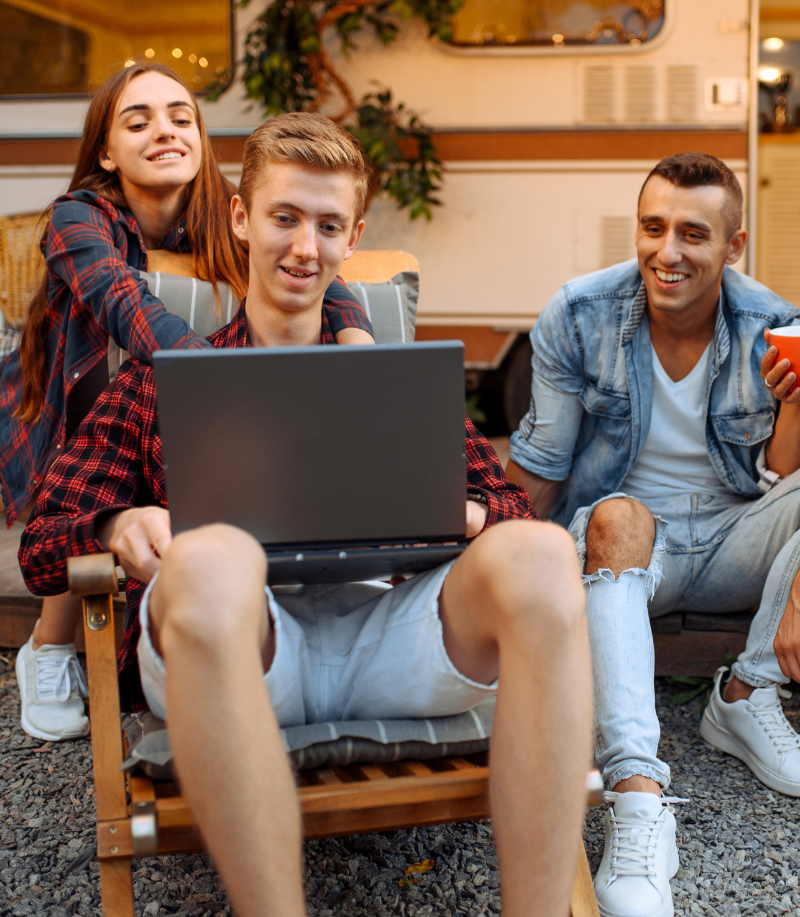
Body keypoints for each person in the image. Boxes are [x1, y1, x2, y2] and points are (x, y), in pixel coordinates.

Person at [20, 112, 593, 917]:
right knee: (212, 555)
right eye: (285, 217)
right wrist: (120, 526)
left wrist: (463, 514)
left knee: (540, 551)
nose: (304, 246)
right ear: (242, 218)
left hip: (391, 641)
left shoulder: (394, 387)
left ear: (351, 236)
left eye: (327, 226)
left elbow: (499, 501)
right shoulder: (162, 382)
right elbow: (44, 543)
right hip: (244, 649)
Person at [2, 63, 374, 743]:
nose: (164, 130)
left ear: (201, 137)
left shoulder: (224, 212)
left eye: (180, 116)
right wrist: (230, 387)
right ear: (107, 152)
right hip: (66, 390)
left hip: (170, 392)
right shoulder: (78, 216)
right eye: (137, 120)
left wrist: (354, 334)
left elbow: (306, 259)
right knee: (96, 444)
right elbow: (123, 305)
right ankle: (50, 644)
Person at [506, 151, 800, 917]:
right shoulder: (579, 314)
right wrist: (488, 572)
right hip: (628, 548)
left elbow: (776, 482)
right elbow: (539, 466)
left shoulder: (771, 323)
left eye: (693, 234)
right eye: (653, 227)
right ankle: (639, 800)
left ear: (732, 247)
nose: (667, 253)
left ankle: (744, 692)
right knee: (618, 513)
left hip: (735, 535)